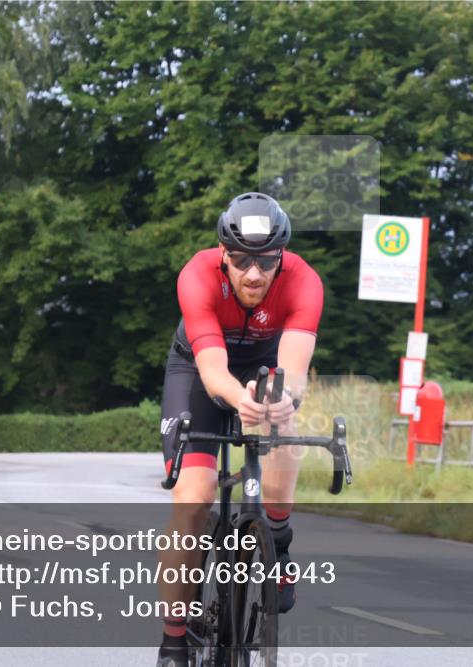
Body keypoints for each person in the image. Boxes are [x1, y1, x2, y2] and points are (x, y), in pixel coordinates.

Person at [156, 192, 323, 667]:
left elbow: (293, 371)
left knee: (285, 419)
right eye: (242, 260)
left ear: (281, 257)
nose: (254, 274)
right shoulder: (197, 275)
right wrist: (240, 400)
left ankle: (279, 540)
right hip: (198, 370)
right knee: (194, 498)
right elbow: (213, 372)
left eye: (266, 261)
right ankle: (173, 640)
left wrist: (282, 400)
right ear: (223, 255)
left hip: (265, 366)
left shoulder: (304, 281)